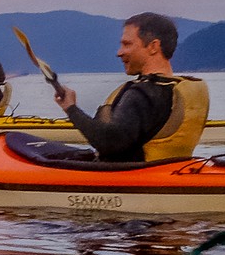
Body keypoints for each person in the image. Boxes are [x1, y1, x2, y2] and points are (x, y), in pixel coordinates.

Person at [48, 13, 209, 163]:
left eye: (127, 44)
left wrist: (71, 109)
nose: (119, 52)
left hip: (133, 178)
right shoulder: (175, 87)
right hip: (170, 172)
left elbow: (109, 143)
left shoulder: (143, 94)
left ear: (153, 46)